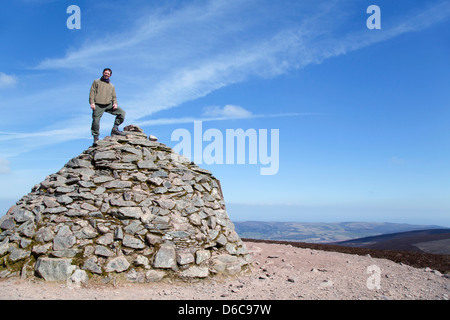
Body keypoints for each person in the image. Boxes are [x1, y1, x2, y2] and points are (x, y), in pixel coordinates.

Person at [89, 68, 126, 143]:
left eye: (108, 74)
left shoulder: (111, 86)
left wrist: (115, 103)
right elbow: (92, 92)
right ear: (103, 73)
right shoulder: (96, 82)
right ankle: (96, 138)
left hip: (108, 104)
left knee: (122, 113)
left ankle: (115, 129)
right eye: (105, 73)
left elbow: (114, 96)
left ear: (110, 75)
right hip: (98, 104)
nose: (107, 74)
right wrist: (92, 102)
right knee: (95, 121)